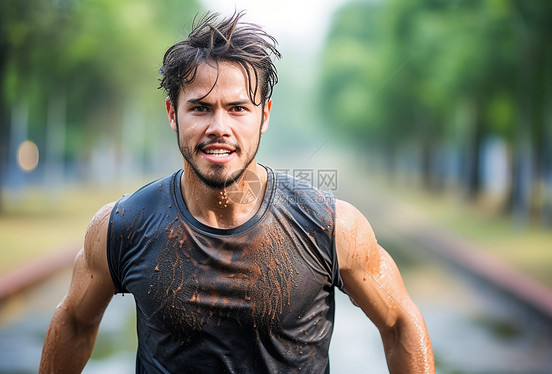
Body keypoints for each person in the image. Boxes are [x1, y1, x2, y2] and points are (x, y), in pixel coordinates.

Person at [39, 11, 434, 374]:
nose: (219, 126)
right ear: (172, 114)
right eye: (200, 108)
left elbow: (400, 323)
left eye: (238, 108)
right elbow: (74, 323)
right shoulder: (122, 225)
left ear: (264, 115)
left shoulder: (330, 226)